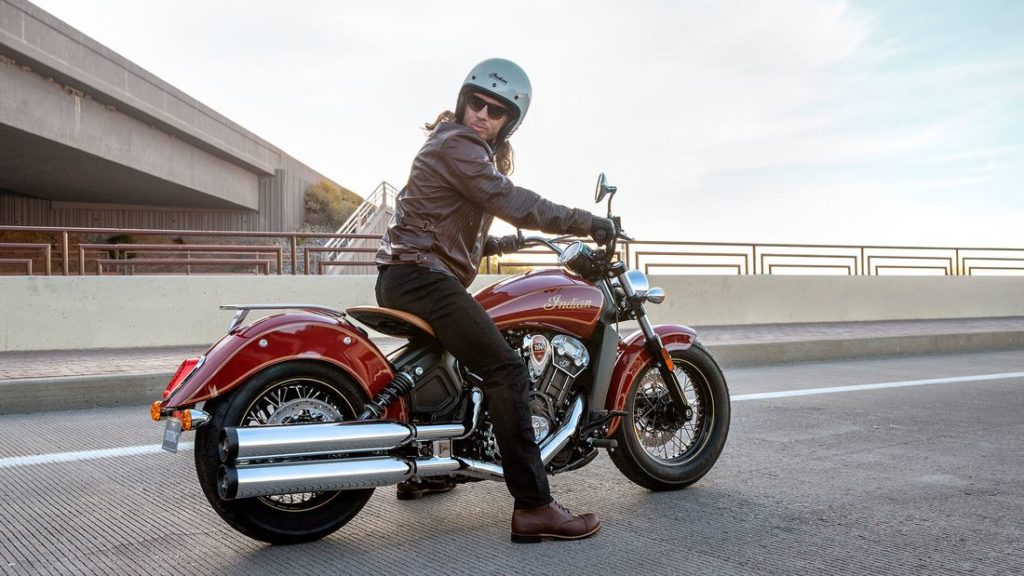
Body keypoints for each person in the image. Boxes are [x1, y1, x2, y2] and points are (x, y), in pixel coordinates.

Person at [374, 58, 614, 543]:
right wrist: (585, 221)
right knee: (507, 371)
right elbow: (510, 200)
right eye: (476, 103)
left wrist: (503, 244)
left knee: (452, 367)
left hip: (409, 272)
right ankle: (534, 506)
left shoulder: (450, 148)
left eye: (495, 110)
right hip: (422, 276)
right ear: (463, 101)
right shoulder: (459, 144)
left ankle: (427, 471)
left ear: (509, 121)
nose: (482, 114)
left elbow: (443, 223)